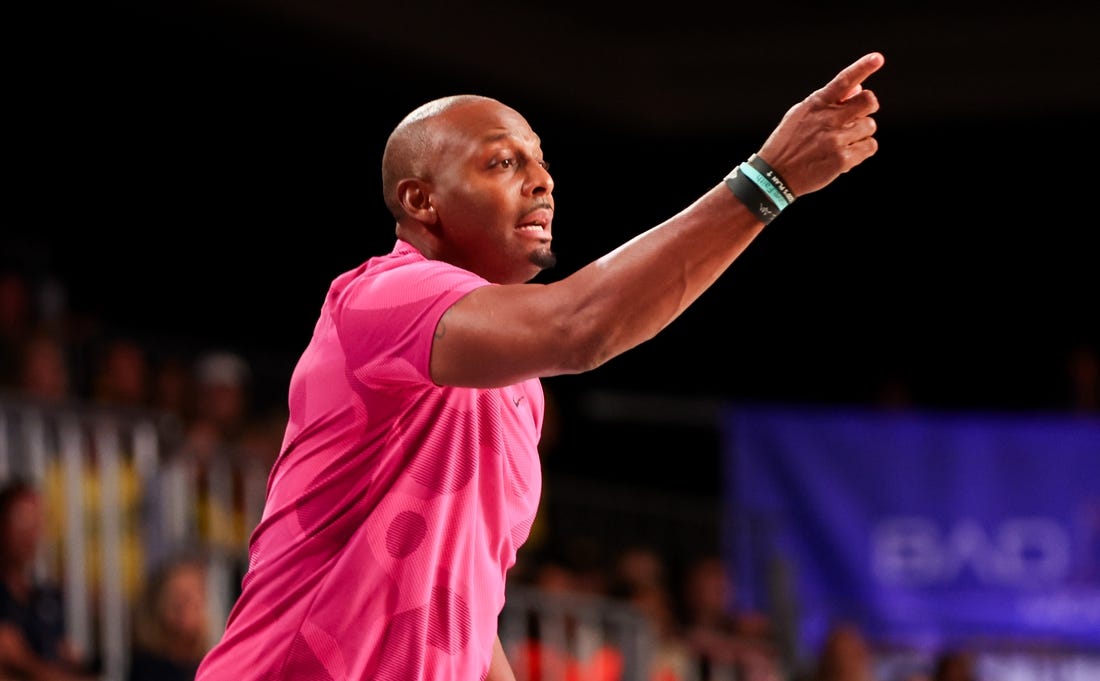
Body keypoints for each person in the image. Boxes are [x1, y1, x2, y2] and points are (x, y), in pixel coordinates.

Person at [195, 51, 884, 681]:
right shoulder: (380, 297)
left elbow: (466, 600)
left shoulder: (518, 386)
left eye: (541, 162)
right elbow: (582, 324)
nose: (543, 181)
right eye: (503, 162)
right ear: (420, 200)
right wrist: (768, 180)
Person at [0, 478, 98, 681]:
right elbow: (12, 661)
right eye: (21, 519)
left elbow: (64, 655)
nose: (30, 531)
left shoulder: (46, 598)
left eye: (38, 520)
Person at [127, 554, 211, 681]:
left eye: (196, 592)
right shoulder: (147, 666)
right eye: (177, 595)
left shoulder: (225, 659)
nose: (186, 604)